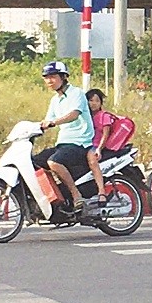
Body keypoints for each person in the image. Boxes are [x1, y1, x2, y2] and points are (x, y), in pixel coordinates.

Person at [32, 61, 105, 213]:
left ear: (63, 77)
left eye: (52, 77)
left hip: (80, 143)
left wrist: (54, 122)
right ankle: (55, 199)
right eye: (46, 78)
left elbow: (74, 114)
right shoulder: (55, 100)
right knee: (35, 162)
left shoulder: (76, 93)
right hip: (63, 143)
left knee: (53, 162)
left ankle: (76, 195)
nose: (49, 81)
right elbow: (47, 120)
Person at [85, 88, 116, 206]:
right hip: (84, 144)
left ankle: (101, 192)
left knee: (92, 161)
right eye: (91, 100)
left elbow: (105, 134)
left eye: (97, 101)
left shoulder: (104, 116)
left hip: (95, 146)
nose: (93, 103)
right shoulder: (84, 116)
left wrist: (99, 149)